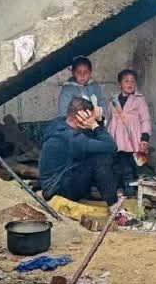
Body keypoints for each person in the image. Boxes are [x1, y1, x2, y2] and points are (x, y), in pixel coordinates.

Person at [39, 96, 136, 225]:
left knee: (103, 156)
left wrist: (99, 121)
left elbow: (97, 140)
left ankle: (111, 193)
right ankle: (115, 209)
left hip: (60, 181)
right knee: (100, 158)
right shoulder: (71, 138)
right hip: (57, 190)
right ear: (80, 117)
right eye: (89, 117)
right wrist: (95, 125)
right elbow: (111, 146)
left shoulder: (60, 124)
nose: (92, 119)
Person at [107, 69, 152, 196]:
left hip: (134, 140)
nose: (130, 83)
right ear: (119, 84)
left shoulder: (139, 100)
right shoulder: (113, 101)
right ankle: (124, 191)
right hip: (117, 140)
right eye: (126, 81)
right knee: (120, 166)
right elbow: (109, 119)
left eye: (132, 81)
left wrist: (145, 138)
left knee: (136, 166)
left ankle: (136, 192)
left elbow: (145, 119)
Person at [57, 56, 109, 122]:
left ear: (90, 73)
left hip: (95, 122)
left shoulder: (94, 86)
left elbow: (101, 101)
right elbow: (63, 112)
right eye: (78, 72)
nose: (82, 75)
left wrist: (103, 117)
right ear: (73, 73)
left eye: (86, 72)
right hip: (77, 125)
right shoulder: (68, 90)